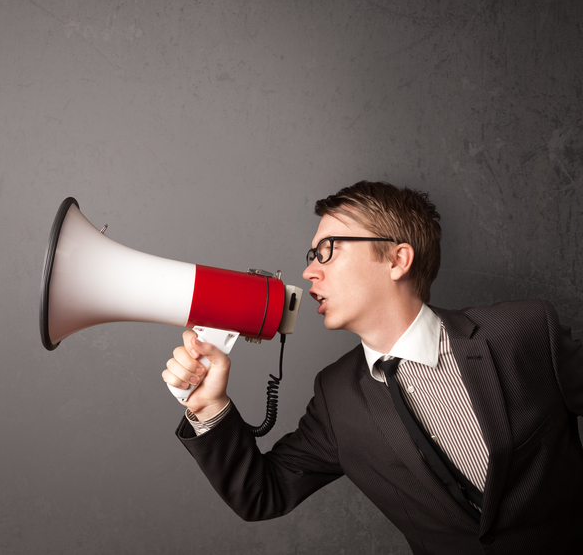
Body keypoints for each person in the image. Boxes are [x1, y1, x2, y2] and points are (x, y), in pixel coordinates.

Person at [162, 181, 582, 554]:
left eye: (328, 251)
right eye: (312, 255)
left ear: (398, 260)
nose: (309, 272)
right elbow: (262, 495)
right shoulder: (336, 396)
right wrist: (210, 406)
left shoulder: (523, 332)